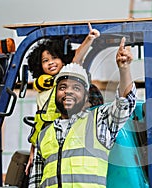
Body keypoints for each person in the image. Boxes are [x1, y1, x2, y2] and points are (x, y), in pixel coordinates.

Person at [28, 37, 136, 187]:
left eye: (76, 88)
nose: (68, 92)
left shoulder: (99, 122)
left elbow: (125, 103)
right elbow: (35, 182)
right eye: (63, 87)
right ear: (55, 94)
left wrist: (124, 70)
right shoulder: (44, 135)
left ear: (86, 97)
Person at [25, 23, 101, 174]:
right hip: (48, 140)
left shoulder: (66, 80)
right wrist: (33, 150)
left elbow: (77, 59)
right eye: (45, 61)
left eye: (54, 58)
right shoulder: (42, 91)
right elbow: (39, 123)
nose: (51, 63)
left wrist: (89, 39)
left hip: (66, 135)